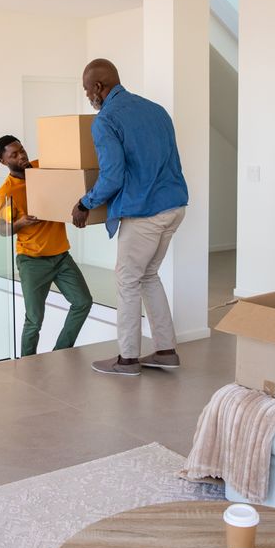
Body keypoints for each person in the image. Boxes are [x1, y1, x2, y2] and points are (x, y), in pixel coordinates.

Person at [71, 59, 189, 377]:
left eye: (87, 90)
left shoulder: (106, 120)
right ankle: (165, 350)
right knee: (148, 276)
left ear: (98, 86)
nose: (87, 97)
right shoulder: (156, 110)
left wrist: (85, 203)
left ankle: (127, 359)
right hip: (175, 206)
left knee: (126, 281)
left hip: (144, 212)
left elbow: (112, 176)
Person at [0, 135, 93, 357]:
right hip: (32, 260)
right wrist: (21, 222)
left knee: (83, 302)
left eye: (22, 150)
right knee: (34, 320)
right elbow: (3, 229)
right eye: (14, 154)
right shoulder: (7, 192)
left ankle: (59, 354)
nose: (22, 156)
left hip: (60, 255)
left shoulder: (41, 168)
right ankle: (26, 366)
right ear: (3, 162)